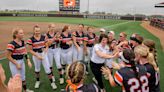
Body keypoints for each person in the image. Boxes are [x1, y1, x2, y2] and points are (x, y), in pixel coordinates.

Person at [27, 25, 57, 89]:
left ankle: (52, 83)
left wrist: (46, 48)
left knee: (48, 69)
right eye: (36, 31)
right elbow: (30, 50)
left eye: (38, 31)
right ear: (34, 31)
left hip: (43, 54)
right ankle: (37, 81)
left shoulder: (44, 37)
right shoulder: (30, 39)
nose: (37, 32)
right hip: (36, 55)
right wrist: (37, 56)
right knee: (37, 69)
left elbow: (46, 45)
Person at [6, 28, 33, 92]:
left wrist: (28, 60)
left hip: (21, 61)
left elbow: (25, 51)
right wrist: (16, 64)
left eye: (23, 33)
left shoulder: (23, 42)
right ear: (16, 35)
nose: (23, 34)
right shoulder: (11, 44)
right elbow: (8, 56)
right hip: (14, 62)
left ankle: (25, 90)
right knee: (16, 80)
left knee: (23, 78)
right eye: (21, 33)